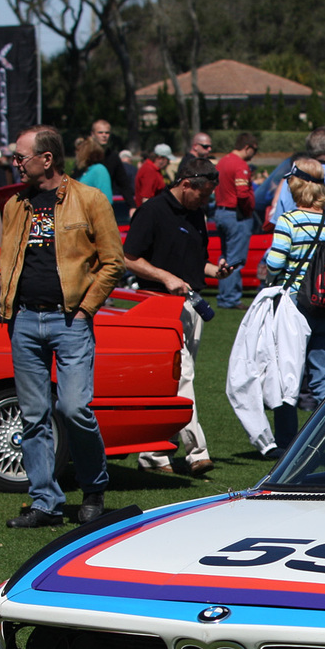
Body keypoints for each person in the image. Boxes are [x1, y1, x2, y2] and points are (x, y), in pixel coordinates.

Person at [0, 124, 124, 529]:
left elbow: (113, 262)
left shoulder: (89, 199)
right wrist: (10, 312)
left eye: (21, 157)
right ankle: (45, 502)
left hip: (69, 319)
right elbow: (9, 263)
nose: (14, 163)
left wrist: (86, 309)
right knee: (33, 415)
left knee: (74, 408)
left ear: (46, 159)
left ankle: (93, 488)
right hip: (24, 319)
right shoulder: (15, 204)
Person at [123, 155, 225, 477]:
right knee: (183, 376)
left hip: (191, 305)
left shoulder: (198, 214)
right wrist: (164, 276)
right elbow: (127, 258)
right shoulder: (152, 211)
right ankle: (197, 452)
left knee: (171, 383)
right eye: (204, 193)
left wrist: (215, 270)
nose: (206, 200)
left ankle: (154, 453)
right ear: (185, 184)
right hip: (158, 304)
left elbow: (197, 263)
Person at [263, 157, 325, 437]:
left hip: (296, 307)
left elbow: (274, 265)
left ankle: (287, 442)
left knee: (288, 378)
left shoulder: (289, 222)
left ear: (295, 185)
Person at [214, 132, 259, 310]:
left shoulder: (222, 161)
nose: (253, 155)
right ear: (247, 147)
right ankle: (230, 298)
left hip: (220, 212)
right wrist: (249, 210)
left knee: (225, 256)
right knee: (235, 259)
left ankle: (225, 294)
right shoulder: (240, 165)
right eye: (254, 150)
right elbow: (242, 194)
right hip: (236, 215)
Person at [90, 118, 134, 223]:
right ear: (93, 134)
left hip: (105, 206)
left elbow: (123, 183)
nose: (104, 135)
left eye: (107, 133)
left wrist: (132, 206)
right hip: (86, 205)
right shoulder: (86, 156)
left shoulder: (113, 157)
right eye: (100, 132)